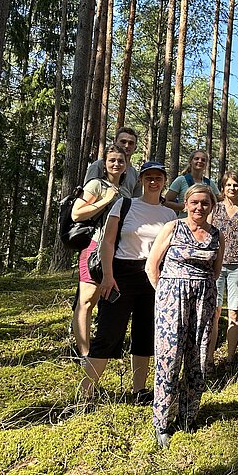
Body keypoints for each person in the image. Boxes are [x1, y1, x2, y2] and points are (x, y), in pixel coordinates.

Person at [79, 162, 177, 402]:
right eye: (148, 177)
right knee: (108, 332)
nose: (153, 182)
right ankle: (85, 392)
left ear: (164, 181)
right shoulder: (125, 204)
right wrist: (108, 276)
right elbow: (108, 243)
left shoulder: (169, 214)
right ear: (141, 180)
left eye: (158, 178)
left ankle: (139, 391)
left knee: (145, 334)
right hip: (121, 273)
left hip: (154, 276)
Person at [145, 184, 224, 448]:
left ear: (211, 206)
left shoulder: (216, 235)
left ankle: (189, 416)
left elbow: (215, 270)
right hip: (171, 299)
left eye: (205, 203)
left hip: (203, 298)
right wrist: (167, 294)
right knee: (169, 358)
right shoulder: (173, 227)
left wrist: (201, 292)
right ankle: (162, 422)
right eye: (195, 202)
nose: (199, 207)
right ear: (186, 203)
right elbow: (151, 266)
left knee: (198, 357)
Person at [71, 144, 132, 357]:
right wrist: (105, 200)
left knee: (107, 299)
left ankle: (103, 349)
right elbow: (76, 214)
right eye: (112, 160)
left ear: (126, 165)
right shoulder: (96, 185)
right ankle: (84, 353)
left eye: (120, 161)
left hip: (117, 250)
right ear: (104, 164)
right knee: (87, 300)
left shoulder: (125, 192)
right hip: (94, 247)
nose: (116, 164)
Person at [208, 170, 238, 369]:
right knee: (214, 312)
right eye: (229, 185)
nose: (232, 188)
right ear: (223, 187)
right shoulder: (214, 208)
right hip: (216, 265)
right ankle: (208, 358)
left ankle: (230, 358)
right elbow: (207, 235)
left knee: (235, 311)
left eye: (236, 185)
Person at [84, 127, 142, 197]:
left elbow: (135, 201)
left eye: (131, 143)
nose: (127, 146)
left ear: (135, 147)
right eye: (123, 142)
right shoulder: (98, 165)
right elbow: (86, 195)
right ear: (115, 142)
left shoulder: (135, 174)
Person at [164, 149, 220, 216]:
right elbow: (166, 201)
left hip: (204, 223)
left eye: (203, 160)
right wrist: (185, 207)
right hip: (184, 222)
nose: (200, 161)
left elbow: (220, 201)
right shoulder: (181, 180)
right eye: (196, 159)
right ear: (190, 161)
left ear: (206, 164)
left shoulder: (210, 183)